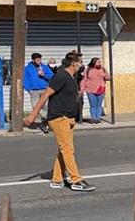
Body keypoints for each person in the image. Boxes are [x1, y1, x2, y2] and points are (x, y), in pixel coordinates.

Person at [22, 55, 94, 192]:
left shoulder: (72, 77)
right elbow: (45, 95)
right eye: (80, 62)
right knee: (67, 149)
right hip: (58, 117)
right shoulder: (61, 76)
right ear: (74, 64)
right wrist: (33, 115)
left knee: (64, 149)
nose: (82, 64)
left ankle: (56, 179)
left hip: (68, 117)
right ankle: (76, 180)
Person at [23, 53, 54, 129]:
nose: (39, 61)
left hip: (44, 89)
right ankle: (45, 117)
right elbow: (25, 79)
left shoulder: (44, 67)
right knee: (35, 106)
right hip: (34, 91)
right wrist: (28, 89)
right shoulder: (27, 68)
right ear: (33, 60)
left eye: (40, 60)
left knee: (45, 106)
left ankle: (45, 123)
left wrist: (44, 75)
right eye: (38, 60)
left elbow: (52, 75)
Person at [80, 57, 109, 124]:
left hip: (101, 89)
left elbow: (108, 77)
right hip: (90, 90)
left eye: (100, 62)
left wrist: (104, 74)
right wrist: (82, 89)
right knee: (93, 105)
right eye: (98, 62)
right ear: (93, 62)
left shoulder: (103, 69)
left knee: (99, 105)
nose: (100, 63)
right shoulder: (88, 70)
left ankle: (98, 119)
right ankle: (93, 118)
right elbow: (84, 80)